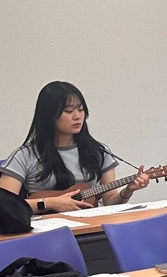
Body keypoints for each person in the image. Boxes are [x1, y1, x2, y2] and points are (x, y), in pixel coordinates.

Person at [1, 81, 151, 213]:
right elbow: (5, 205)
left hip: (91, 225)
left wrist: (127, 191)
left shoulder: (98, 152)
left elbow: (110, 201)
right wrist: (50, 203)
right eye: (68, 111)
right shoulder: (24, 156)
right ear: (49, 115)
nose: (77, 116)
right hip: (47, 228)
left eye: (80, 109)